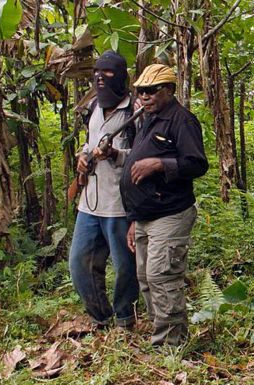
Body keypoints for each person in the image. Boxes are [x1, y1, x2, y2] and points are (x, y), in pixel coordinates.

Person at [120, 64, 208, 346]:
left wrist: (160, 164)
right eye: (140, 91)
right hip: (145, 214)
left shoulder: (182, 120)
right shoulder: (147, 119)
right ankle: (163, 334)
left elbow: (196, 164)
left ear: (169, 90)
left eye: (151, 91)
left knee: (162, 276)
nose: (144, 96)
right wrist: (134, 219)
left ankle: (171, 344)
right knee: (145, 277)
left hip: (170, 212)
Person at [69, 50, 139, 330]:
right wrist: (84, 155)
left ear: (120, 76)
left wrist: (115, 154)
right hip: (89, 202)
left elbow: (143, 154)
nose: (100, 78)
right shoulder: (94, 107)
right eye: (96, 72)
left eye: (108, 73)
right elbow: (90, 141)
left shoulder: (134, 112)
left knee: (125, 267)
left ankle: (125, 319)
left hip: (119, 204)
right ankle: (101, 317)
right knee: (79, 264)